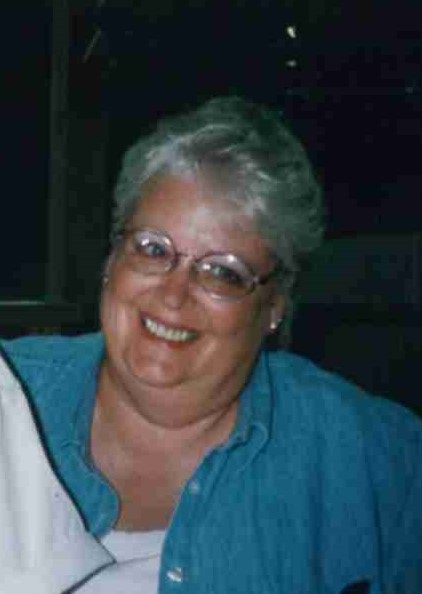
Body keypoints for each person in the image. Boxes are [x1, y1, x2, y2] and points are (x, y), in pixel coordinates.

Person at [1, 96, 422, 593]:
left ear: (274, 306)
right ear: (112, 258)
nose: (173, 296)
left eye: (223, 272)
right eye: (153, 249)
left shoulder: (374, 464)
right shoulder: (8, 397)